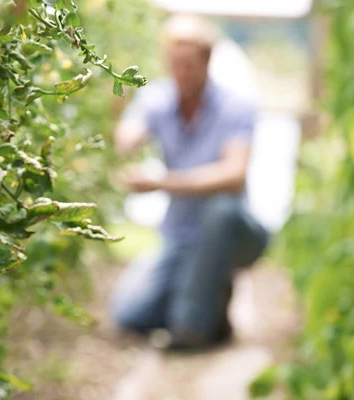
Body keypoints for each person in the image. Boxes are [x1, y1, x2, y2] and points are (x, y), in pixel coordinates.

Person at [111, 14, 270, 349]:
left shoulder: (236, 106)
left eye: (189, 65)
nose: (181, 73)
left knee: (221, 210)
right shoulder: (157, 98)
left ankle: (194, 327)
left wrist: (163, 183)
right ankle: (210, 303)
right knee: (129, 315)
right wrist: (124, 125)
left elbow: (234, 174)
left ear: (207, 62)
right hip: (180, 235)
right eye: (175, 64)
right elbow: (129, 134)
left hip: (234, 234)